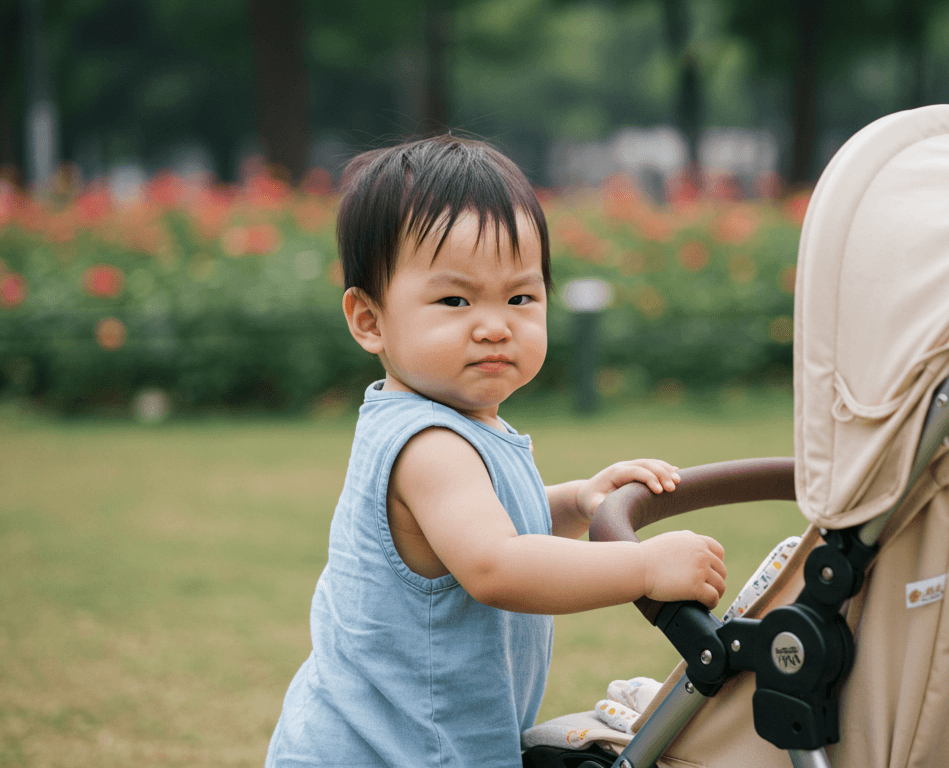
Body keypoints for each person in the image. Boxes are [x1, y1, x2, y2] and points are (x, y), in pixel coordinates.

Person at [265, 135, 727, 768]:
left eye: (520, 298)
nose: (494, 324)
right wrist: (644, 570)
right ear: (369, 320)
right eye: (455, 300)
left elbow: (473, 524)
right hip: (386, 752)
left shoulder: (458, 427)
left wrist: (576, 500)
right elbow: (494, 566)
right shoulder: (428, 443)